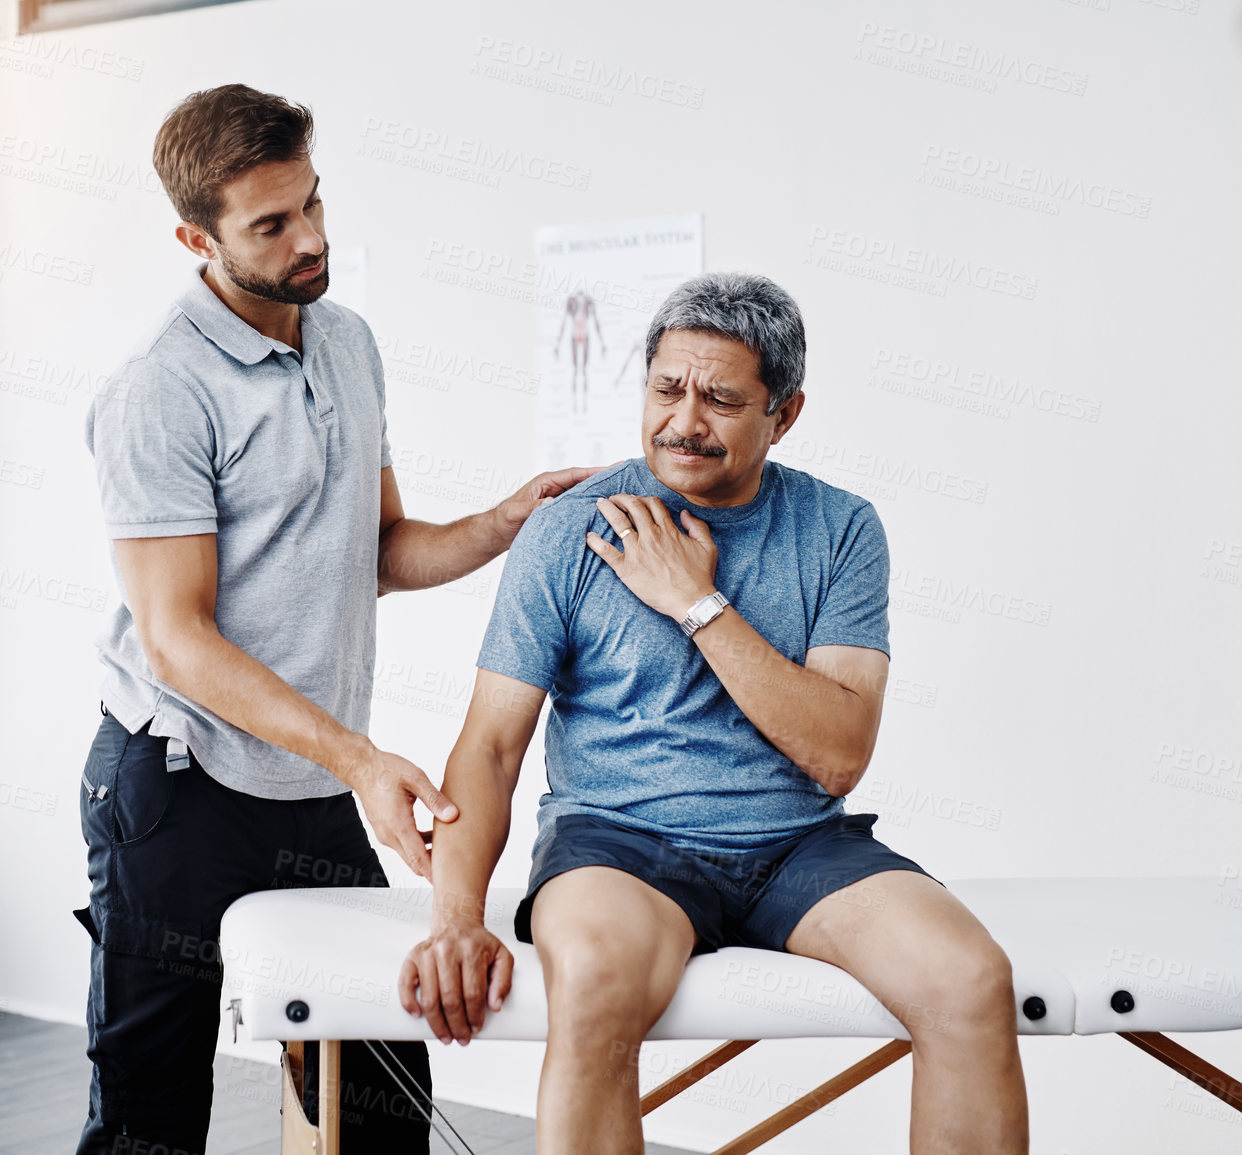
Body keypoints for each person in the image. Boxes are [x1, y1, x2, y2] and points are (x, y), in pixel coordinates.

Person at [76, 83, 599, 1155]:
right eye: (271, 224)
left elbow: (378, 552)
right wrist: (361, 760)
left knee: (377, 1107)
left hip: (308, 783)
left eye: (312, 202)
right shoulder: (160, 391)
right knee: (151, 1122)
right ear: (196, 236)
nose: (310, 238)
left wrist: (502, 522)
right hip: (177, 788)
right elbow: (179, 638)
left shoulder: (346, 343)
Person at [398, 272, 1028, 1154]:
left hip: (799, 847)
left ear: (785, 413)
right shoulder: (568, 529)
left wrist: (698, 604)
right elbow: (493, 747)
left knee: (971, 978)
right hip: (619, 842)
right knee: (593, 980)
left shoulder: (841, 529)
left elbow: (840, 754)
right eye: (666, 389)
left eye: (723, 399)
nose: (684, 421)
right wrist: (457, 915)